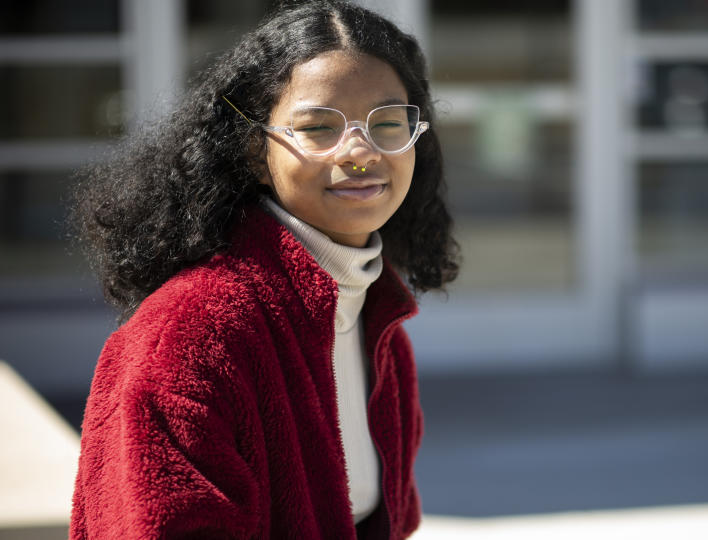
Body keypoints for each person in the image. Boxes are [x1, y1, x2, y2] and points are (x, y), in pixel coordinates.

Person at [69, 1, 458, 538]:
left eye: (387, 122)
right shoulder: (190, 332)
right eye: (319, 127)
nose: (361, 152)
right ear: (255, 151)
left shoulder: (382, 322)